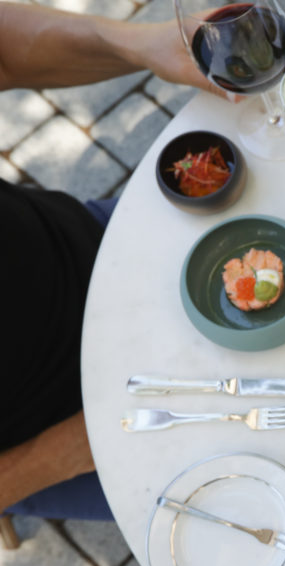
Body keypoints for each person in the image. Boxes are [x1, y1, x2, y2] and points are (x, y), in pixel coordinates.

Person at [0, 2, 223, 516]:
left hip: (92, 245)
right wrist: (60, 454)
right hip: (61, 429)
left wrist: (137, 44)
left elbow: (4, 53)